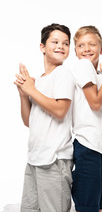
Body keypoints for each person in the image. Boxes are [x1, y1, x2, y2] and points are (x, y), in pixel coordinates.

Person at [14, 23, 75, 212]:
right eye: (55, 42)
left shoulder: (63, 73)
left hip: (54, 160)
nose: (61, 46)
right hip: (34, 158)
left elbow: (60, 110)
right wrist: (24, 95)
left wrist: (31, 90)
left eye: (65, 43)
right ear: (42, 47)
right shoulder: (39, 80)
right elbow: (29, 121)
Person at [71, 25, 102, 212]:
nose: (86, 49)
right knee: (87, 206)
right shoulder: (82, 65)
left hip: (101, 148)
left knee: (98, 206)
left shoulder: (99, 74)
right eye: (81, 45)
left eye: (92, 44)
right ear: (75, 51)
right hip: (87, 145)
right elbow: (95, 103)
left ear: (101, 49)